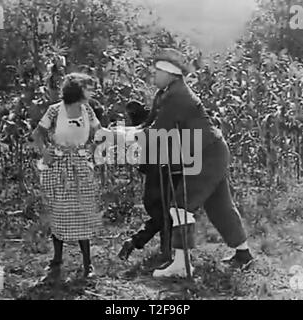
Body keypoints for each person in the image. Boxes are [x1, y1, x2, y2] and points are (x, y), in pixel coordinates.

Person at [118, 48, 254, 278]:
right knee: (220, 207)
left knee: (180, 206)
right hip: (209, 151)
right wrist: (119, 132)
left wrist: (120, 136)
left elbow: (157, 132)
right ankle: (244, 255)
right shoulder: (164, 94)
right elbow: (147, 126)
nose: (152, 75)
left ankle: (182, 266)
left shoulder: (178, 95)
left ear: (169, 74)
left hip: (206, 154)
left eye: (156, 72)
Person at [31, 72, 105, 281]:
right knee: (59, 211)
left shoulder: (88, 111)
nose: (92, 92)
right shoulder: (55, 111)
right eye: (88, 88)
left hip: (80, 165)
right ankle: (56, 260)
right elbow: (38, 134)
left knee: (83, 211)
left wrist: (92, 148)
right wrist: (44, 151)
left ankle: (87, 263)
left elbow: (99, 132)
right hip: (58, 165)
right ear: (78, 90)